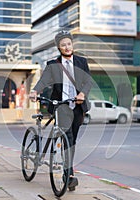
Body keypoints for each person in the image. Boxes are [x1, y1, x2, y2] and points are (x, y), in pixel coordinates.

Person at [30, 30, 92, 191]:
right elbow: (43, 81)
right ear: (59, 47)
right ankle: (68, 175)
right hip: (61, 106)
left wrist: (82, 94)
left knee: (73, 140)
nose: (67, 47)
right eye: (63, 45)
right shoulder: (53, 65)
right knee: (67, 138)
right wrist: (35, 91)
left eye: (69, 44)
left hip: (77, 107)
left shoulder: (81, 62)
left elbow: (88, 81)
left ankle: (68, 172)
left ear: (72, 45)